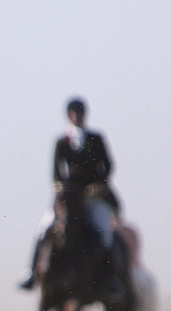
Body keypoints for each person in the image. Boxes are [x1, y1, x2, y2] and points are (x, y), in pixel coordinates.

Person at [20, 97, 124, 296]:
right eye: (74, 113)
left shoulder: (96, 139)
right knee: (43, 228)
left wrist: (97, 186)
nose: (77, 117)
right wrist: (60, 188)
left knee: (105, 233)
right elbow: (56, 173)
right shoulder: (61, 142)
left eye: (80, 113)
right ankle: (31, 273)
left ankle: (111, 279)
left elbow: (108, 166)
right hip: (69, 198)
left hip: (93, 198)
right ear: (69, 115)